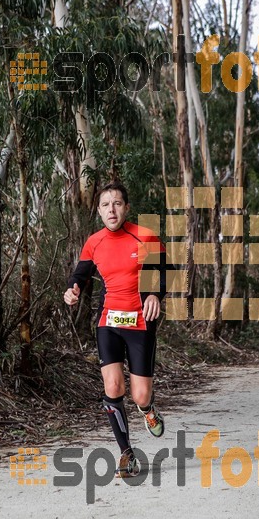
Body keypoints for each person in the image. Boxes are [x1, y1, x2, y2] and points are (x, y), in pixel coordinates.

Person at [63, 182, 166, 478]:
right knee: (113, 387)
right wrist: (72, 291)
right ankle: (127, 454)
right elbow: (78, 276)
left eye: (117, 203)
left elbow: (164, 271)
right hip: (108, 321)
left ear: (126, 208)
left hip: (140, 321)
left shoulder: (145, 235)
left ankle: (147, 410)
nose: (112, 209)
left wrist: (154, 294)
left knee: (140, 395)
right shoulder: (94, 242)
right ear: (98, 211)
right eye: (106, 204)